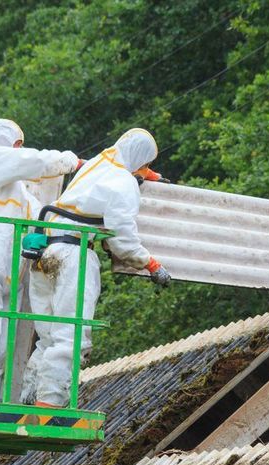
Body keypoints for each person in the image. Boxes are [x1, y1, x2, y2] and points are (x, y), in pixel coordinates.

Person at [22, 128, 171, 407]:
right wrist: (150, 264)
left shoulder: (96, 166)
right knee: (72, 337)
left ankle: (28, 405)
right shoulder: (122, 181)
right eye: (146, 163)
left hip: (45, 250)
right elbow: (122, 237)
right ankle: (49, 409)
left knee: (48, 338)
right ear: (139, 159)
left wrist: (145, 175)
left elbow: (110, 178)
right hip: (72, 255)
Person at [0, 119, 80, 399]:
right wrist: (72, 161)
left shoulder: (14, 189)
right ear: (17, 145)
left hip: (5, 269)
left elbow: (40, 212)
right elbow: (36, 162)